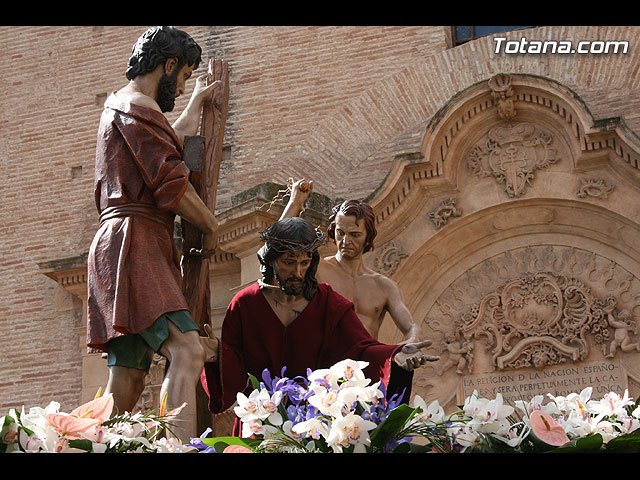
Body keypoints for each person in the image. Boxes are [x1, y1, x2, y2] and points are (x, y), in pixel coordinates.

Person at [86, 26, 220, 441]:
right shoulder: (136, 110)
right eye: (182, 78)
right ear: (168, 65)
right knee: (188, 349)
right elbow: (170, 181)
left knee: (127, 378)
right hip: (135, 241)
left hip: (123, 241)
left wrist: (197, 102)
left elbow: (171, 141)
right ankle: (176, 449)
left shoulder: (129, 109)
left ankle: (93, 447)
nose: (181, 88)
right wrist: (210, 224)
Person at [199, 217, 439, 435]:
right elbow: (237, 369)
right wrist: (217, 355)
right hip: (261, 421)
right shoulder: (244, 304)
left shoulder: (328, 302)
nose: (297, 272)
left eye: (304, 263)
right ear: (271, 260)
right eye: (288, 262)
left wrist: (394, 355)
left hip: (316, 420)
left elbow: (360, 350)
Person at [280, 179, 420, 343]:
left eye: (354, 234)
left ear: (368, 236)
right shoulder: (318, 268)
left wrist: (411, 342)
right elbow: (278, 244)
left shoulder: (384, 286)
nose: (346, 241)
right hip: (324, 364)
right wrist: (295, 202)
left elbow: (411, 327)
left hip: (366, 364)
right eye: (340, 233)